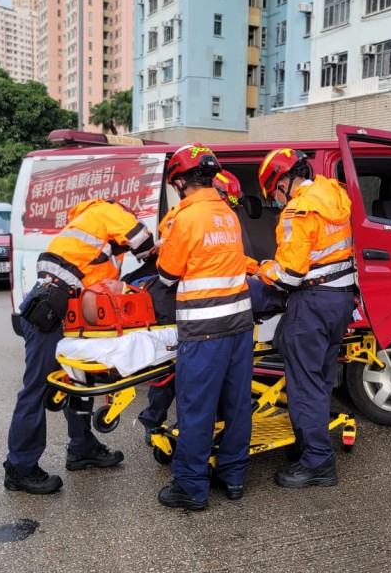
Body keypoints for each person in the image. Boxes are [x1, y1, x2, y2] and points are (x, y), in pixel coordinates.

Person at [4, 198, 156, 495]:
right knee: (36, 390)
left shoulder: (94, 238)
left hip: (63, 310)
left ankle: (82, 447)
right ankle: (19, 467)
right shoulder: (108, 212)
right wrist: (159, 252)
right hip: (49, 310)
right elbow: (143, 241)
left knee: (79, 378)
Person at [155, 144, 254, 510]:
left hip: (204, 330)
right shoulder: (227, 213)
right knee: (237, 405)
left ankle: (191, 487)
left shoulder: (186, 218)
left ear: (180, 181)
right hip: (240, 326)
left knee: (197, 409)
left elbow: (167, 276)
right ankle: (232, 476)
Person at [256, 148, 355, 488]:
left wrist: (260, 268)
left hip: (311, 303)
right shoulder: (335, 196)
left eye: (275, 193)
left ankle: (317, 462)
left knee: (304, 385)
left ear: (283, 181)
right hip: (339, 300)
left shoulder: (298, 211)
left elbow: (289, 276)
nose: (277, 201)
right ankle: (307, 443)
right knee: (321, 379)